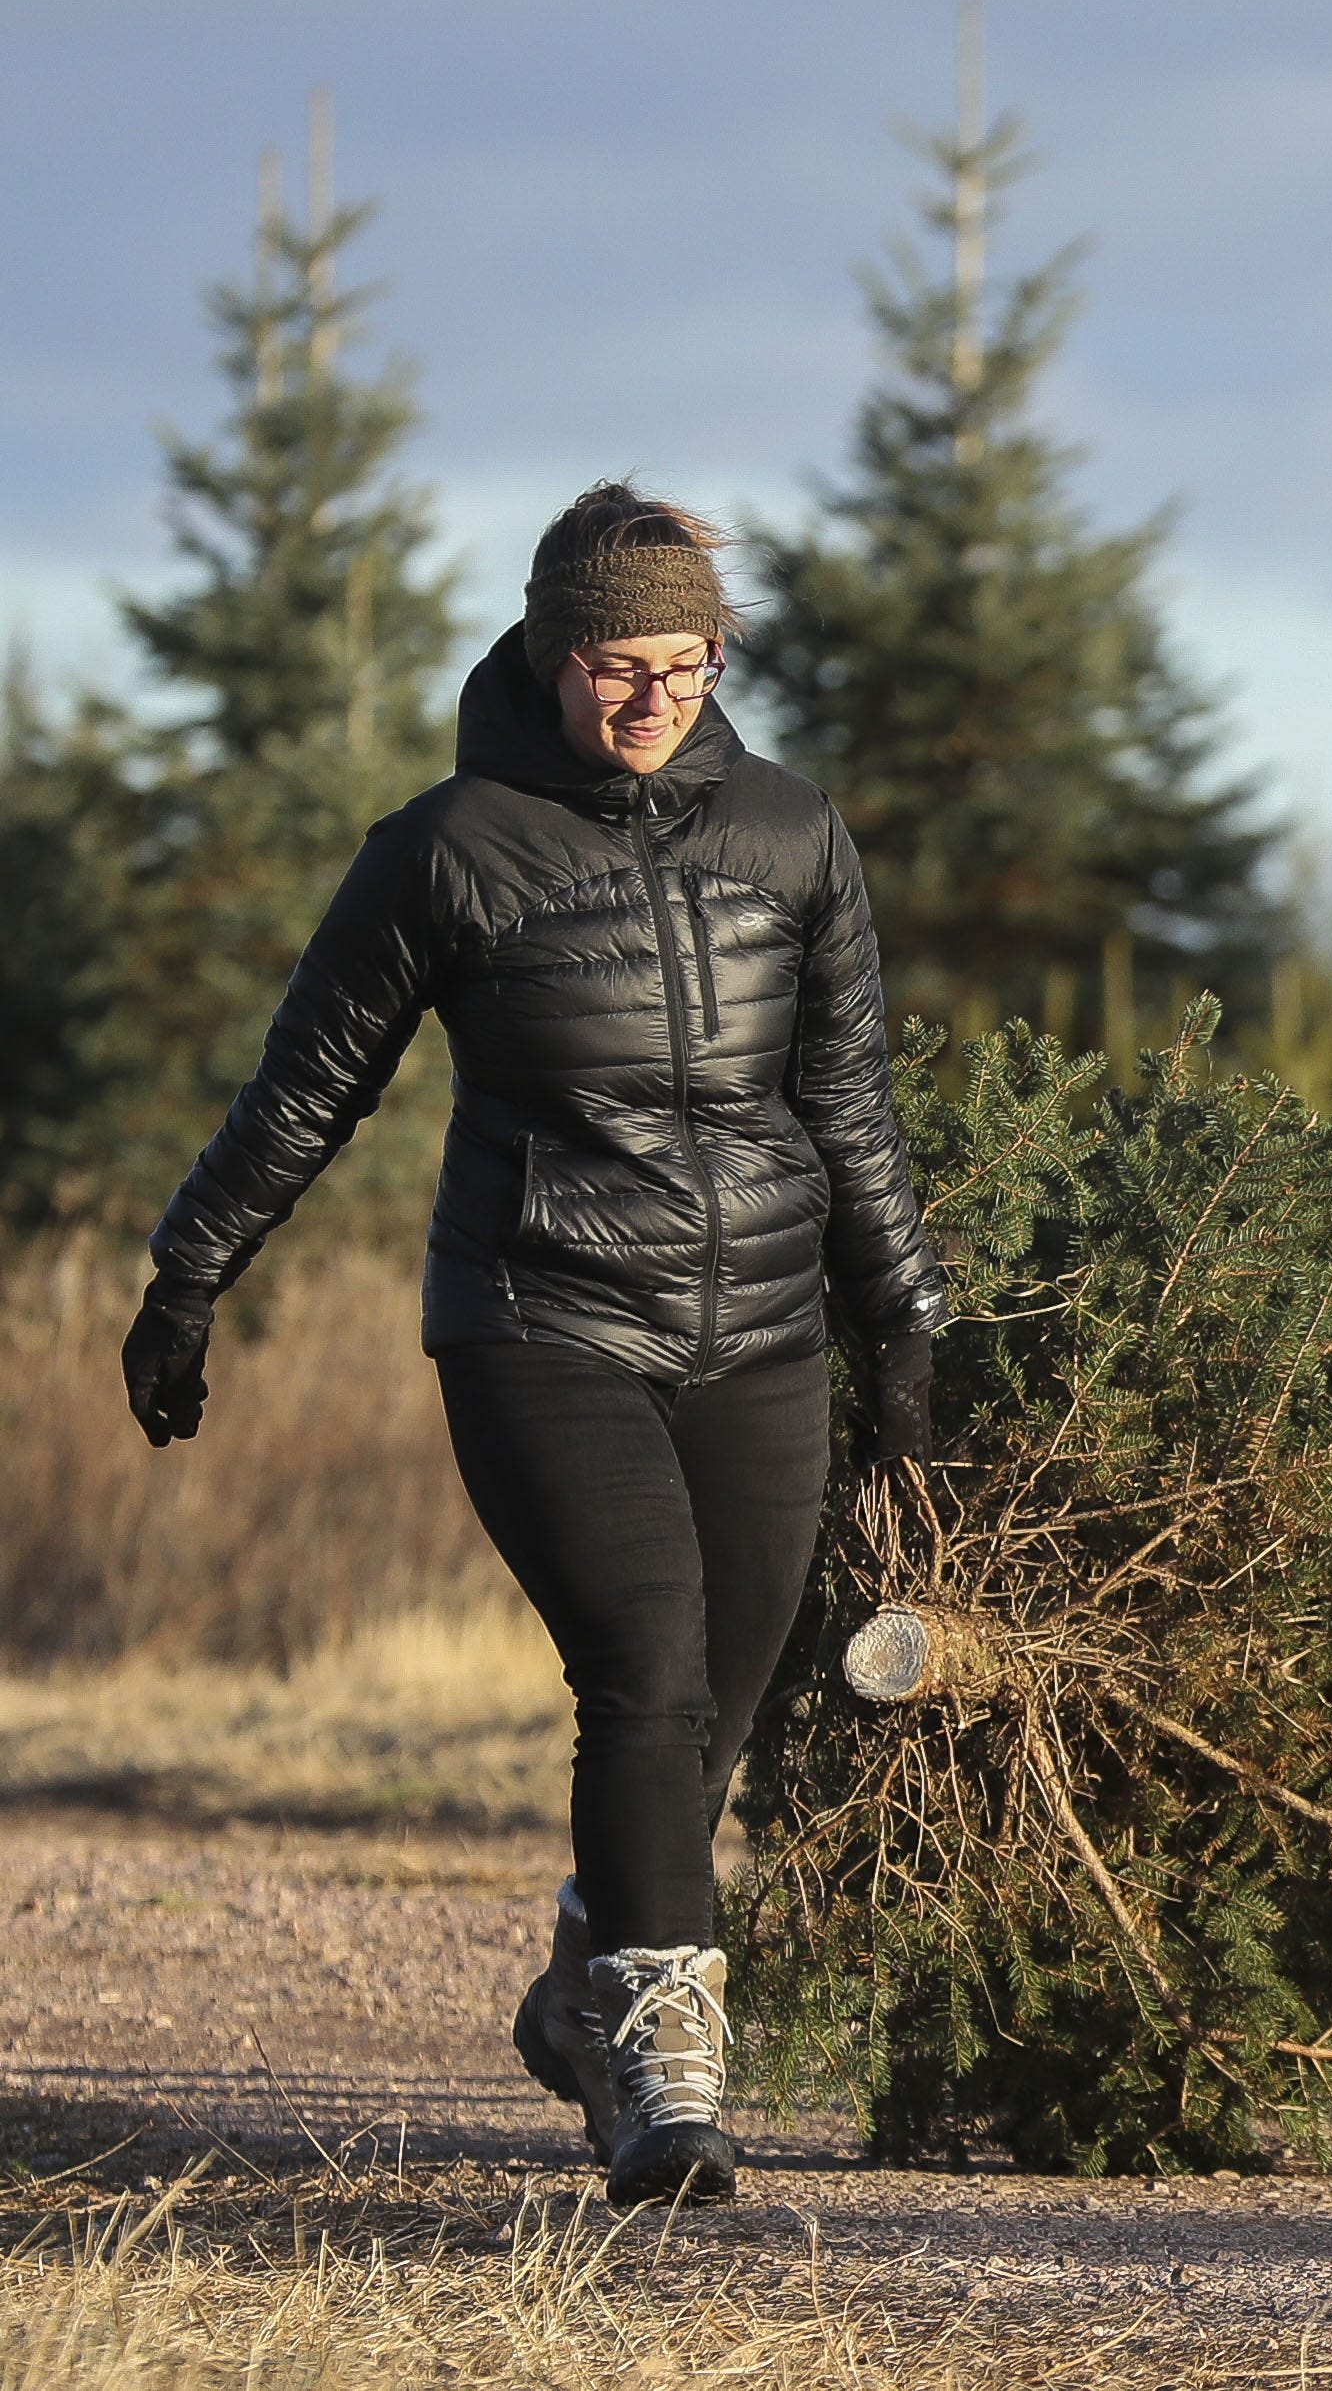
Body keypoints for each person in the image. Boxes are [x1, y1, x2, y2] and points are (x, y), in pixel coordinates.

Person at [117, 484, 945, 2206]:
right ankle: (661, 2063)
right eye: (612, 662)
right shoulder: (449, 845)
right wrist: (190, 1274)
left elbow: (847, 1103)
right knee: (641, 1667)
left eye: (685, 659)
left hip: (766, 1326)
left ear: (719, 655)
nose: (651, 695)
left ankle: (582, 1975)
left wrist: (906, 1323)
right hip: (540, 1312)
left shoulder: (795, 834)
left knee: (716, 1700)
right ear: (551, 652)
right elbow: (308, 1086)